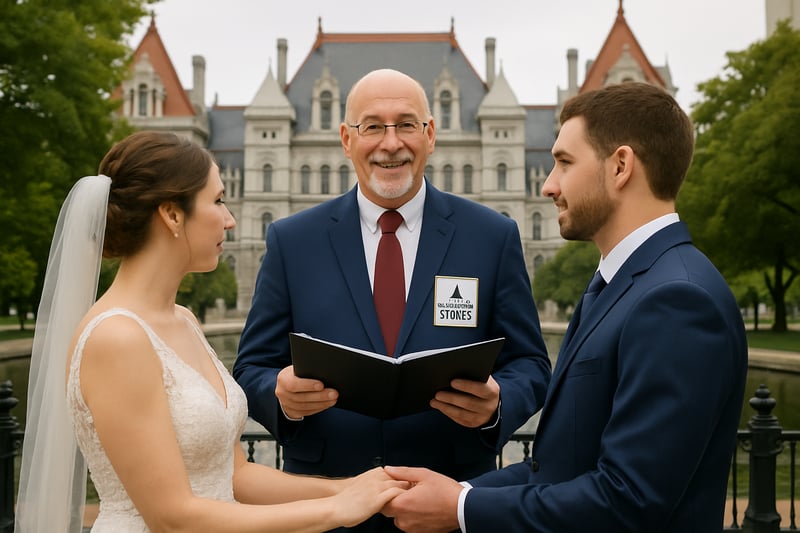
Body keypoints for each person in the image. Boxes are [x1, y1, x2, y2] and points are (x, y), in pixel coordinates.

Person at [382, 81, 749, 532]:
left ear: (620, 167)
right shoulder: (622, 284)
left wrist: (460, 511)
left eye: (563, 163)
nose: (548, 186)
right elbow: (559, 470)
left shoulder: (677, 301)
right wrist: (458, 493)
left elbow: (630, 499)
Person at [14, 131, 407, 532]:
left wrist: (348, 488)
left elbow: (234, 476)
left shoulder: (184, 320)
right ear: (172, 214)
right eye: (218, 200)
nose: (231, 219)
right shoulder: (117, 338)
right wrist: (336, 512)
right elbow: (173, 518)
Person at [233, 68, 551, 531]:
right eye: (373, 127)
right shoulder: (292, 240)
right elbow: (251, 368)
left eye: (406, 124)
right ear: (346, 139)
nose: (390, 143)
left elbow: (531, 364)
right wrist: (280, 396)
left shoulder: (491, 236)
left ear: (430, 134)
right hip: (325, 510)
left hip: (451, 506)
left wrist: (497, 405)